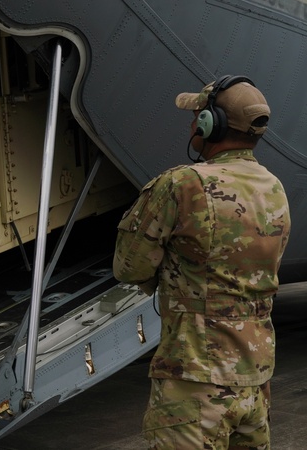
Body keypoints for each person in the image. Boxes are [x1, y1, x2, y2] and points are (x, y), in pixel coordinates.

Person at [113, 75, 290, 449]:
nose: (192, 124)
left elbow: (129, 267)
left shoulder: (182, 184)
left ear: (212, 125)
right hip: (255, 381)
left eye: (197, 116)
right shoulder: (273, 187)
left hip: (193, 382)